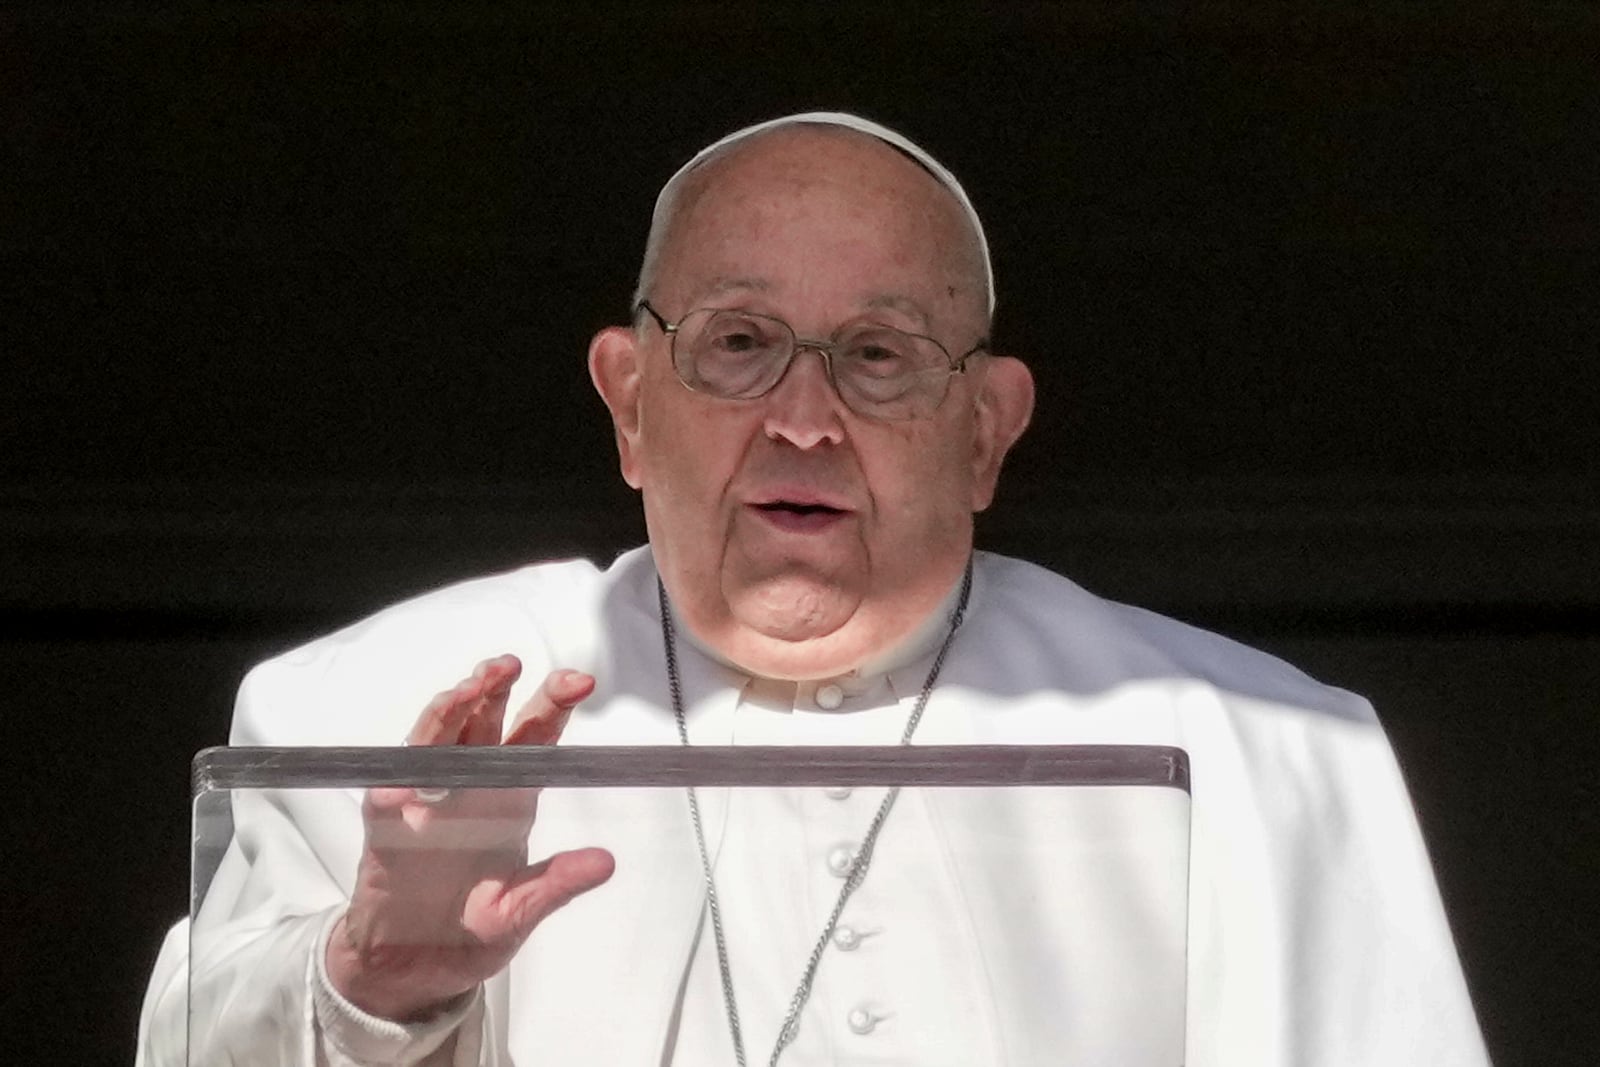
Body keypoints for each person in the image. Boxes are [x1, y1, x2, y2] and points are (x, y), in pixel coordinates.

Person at [137, 112, 1489, 1066]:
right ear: (627, 402)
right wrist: (376, 983)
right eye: (737, 345)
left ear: (986, 433)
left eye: (880, 356)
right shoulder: (370, 713)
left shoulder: (1258, 750)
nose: (803, 419)